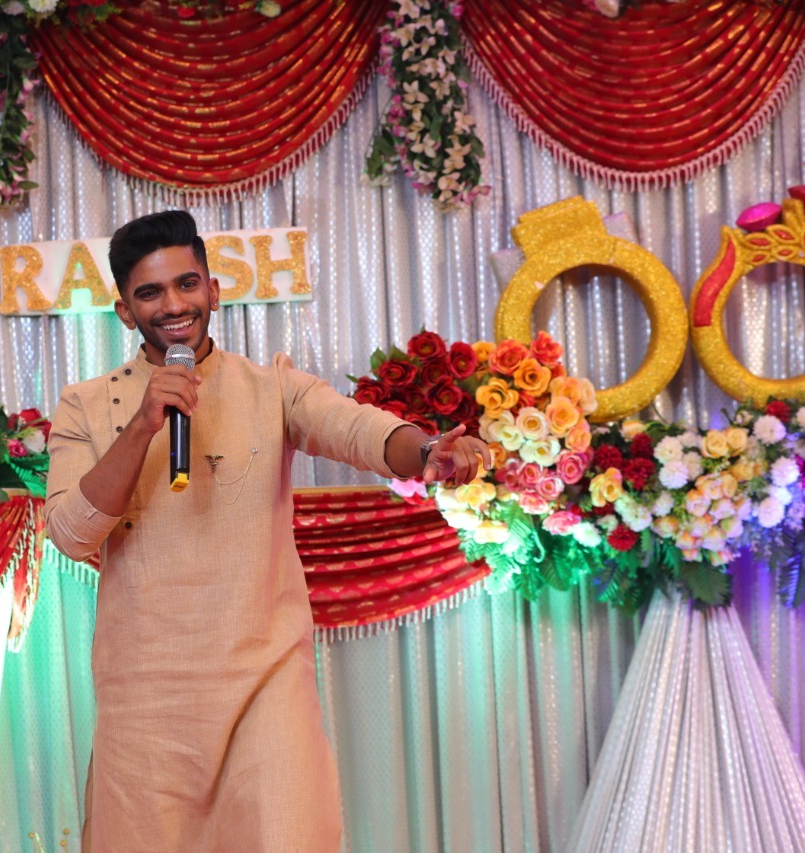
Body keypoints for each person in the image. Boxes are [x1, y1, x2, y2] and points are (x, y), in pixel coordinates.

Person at [44, 210, 490, 851]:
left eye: (186, 284)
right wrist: (143, 425)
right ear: (124, 311)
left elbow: (355, 429)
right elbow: (71, 534)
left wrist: (424, 452)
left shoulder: (270, 387)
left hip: (264, 680)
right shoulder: (86, 405)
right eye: (150, 292)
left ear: (212, 290)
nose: (174, 304)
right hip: (146, 695)